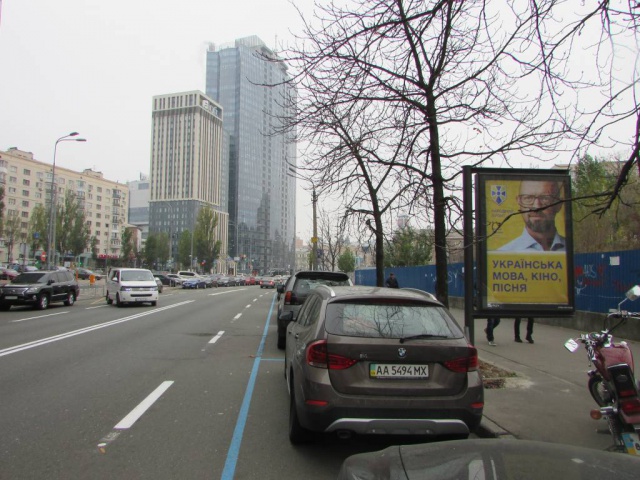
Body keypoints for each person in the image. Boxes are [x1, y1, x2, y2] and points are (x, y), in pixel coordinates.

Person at [497, 180, 566, 252]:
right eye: (528, 198)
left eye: (545, 198)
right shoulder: (504, 253)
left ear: (559, 204)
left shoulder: (572, 249)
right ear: (519, 202)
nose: (536, 207)